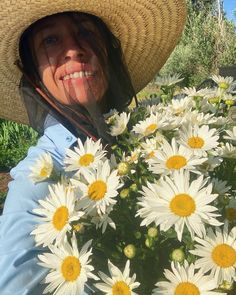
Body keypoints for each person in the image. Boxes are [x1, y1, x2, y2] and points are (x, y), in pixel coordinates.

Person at [0, 1, 187, 294]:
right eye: (50, 40)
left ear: (107, 54)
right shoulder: (36, 186)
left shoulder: (134, 143)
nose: (74, 48)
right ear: (34, 74)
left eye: (86, 33)